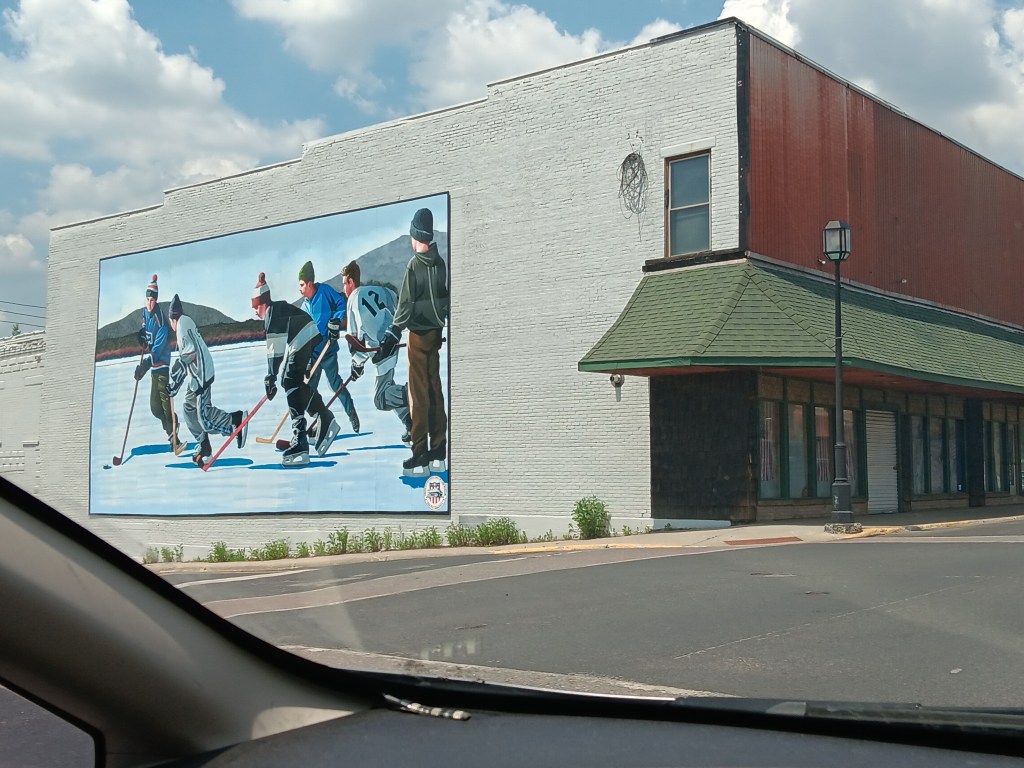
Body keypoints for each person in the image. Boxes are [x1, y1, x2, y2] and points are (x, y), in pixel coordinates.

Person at [373, 208, 449, 473]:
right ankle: (439, 450)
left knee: (418, 395)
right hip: (436, 334)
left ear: (417, 237)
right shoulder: (439, 262)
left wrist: (392, 333)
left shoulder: (414, 265)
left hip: (418, 336)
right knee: (435, 391)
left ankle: (420, 454)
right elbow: (443, 297)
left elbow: (405, 305)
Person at [252, 272, 340, 466]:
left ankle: (300, 439)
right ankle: (324, 417)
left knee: (290, 380)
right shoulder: (275, 310)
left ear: (262, 304)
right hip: (308, 335)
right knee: (292, 381)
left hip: (304, 337)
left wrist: (270, 377)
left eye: (255, 307)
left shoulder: (271, 315)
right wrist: (273, 377)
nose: (254, 312)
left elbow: (275, 351)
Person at [165, 294, 249, 467]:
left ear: (171, 319)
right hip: (197, 375)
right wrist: (175, 384)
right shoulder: (185, 322)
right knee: (189, 409)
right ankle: (204, 445)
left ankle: (235, 420)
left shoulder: (181, 326)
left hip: (201, 375)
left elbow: (188, 355)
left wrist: (173, 382)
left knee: (205, 418)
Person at [340, 260, 412, 442]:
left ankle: (414, 392)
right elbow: (397, 304)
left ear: (350, 282)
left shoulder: (352, 299)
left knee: (380, 398)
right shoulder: (378, 290)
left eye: (344, 284)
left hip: (381, 350)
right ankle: (411, 423)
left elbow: (355, 341)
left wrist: (356, 364)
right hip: (392, 341)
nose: (344, 289)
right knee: (388, 387)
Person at [297, 260, 360, 437]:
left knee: (335, 385)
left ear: (309, 283)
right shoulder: (304, 307)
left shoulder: (325, 291)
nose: (300, 289)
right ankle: (322, 421)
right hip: (313, 356)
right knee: (310, 392)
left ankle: (351, 413)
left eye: (302, 285)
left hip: (328, 351)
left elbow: (341, 304)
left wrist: (335, 322)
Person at [134, 274, 179, 449]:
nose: (149, 303)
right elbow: (145, 332)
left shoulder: (161, 320)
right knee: (155, 407)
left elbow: (158, 349)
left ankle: (173, 434)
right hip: (153, 367)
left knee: (165, 402)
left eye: (152, 300)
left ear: (156, 300)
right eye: (147, 299)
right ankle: (172, 427)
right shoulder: (145, 313)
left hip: (162, 364)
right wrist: (141, 337)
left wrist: (144, 365)